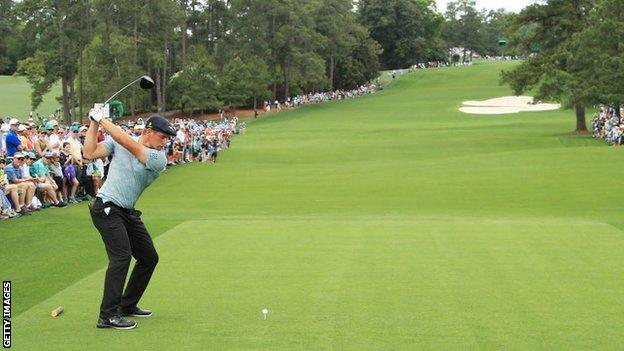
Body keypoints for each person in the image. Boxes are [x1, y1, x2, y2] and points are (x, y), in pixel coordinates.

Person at [83, 108, 175, 330]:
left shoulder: (158, 158)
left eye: (167, 139)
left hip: (126, 212)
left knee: (148, 257)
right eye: (162, 137)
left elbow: (128, 143)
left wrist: (102, 118)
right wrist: (94, 123)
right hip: (106, 207)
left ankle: (127, 305)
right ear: (149, 131)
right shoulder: (121, 142)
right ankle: (107, 316)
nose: (165, 142)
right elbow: (89, 152)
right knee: (121, 256)